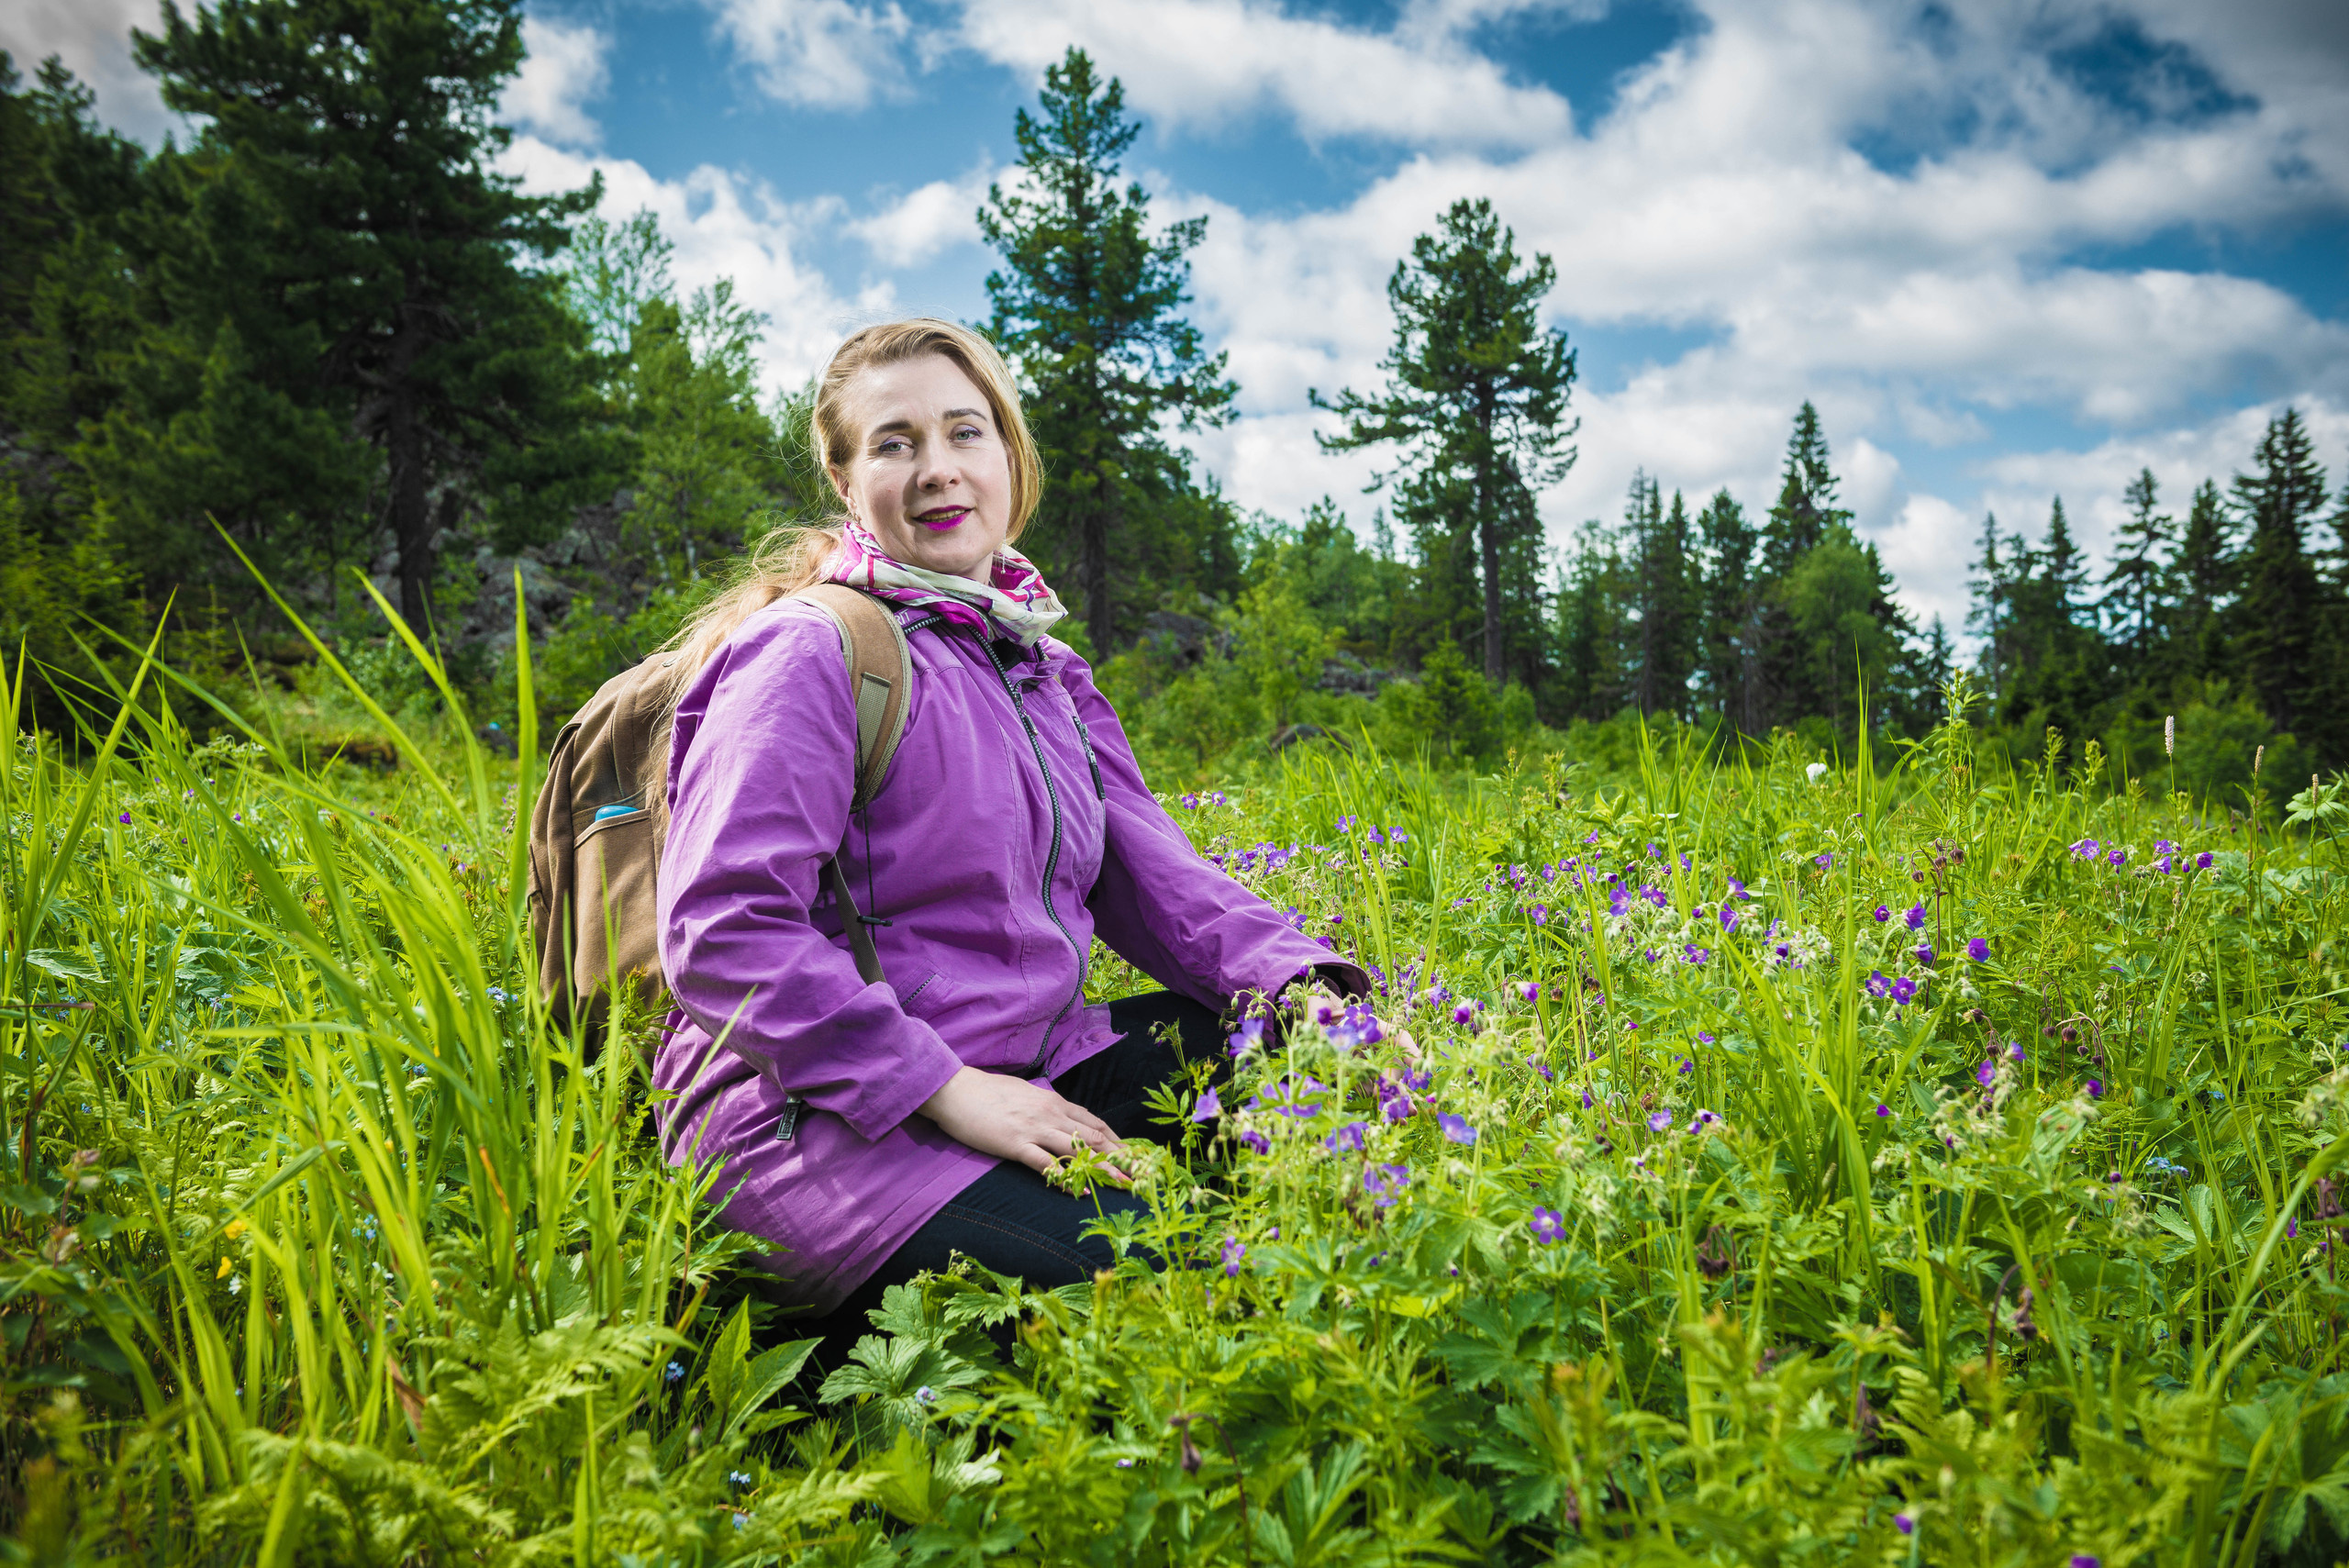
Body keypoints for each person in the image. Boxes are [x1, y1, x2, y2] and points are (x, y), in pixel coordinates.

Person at [651, 318, 1363, 1343]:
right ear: (847, 482)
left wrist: (1309, 988)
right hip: (818, 1122)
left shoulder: (1037, 665)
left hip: (1019, 1063)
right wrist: (940, 1085)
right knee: (1187, 1298)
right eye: (894, 443)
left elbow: (1153, 872)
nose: (937, 469)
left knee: (1304, 1063)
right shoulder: (811, 650)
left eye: (964, 432)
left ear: (1008, 457)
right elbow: (722, 930)